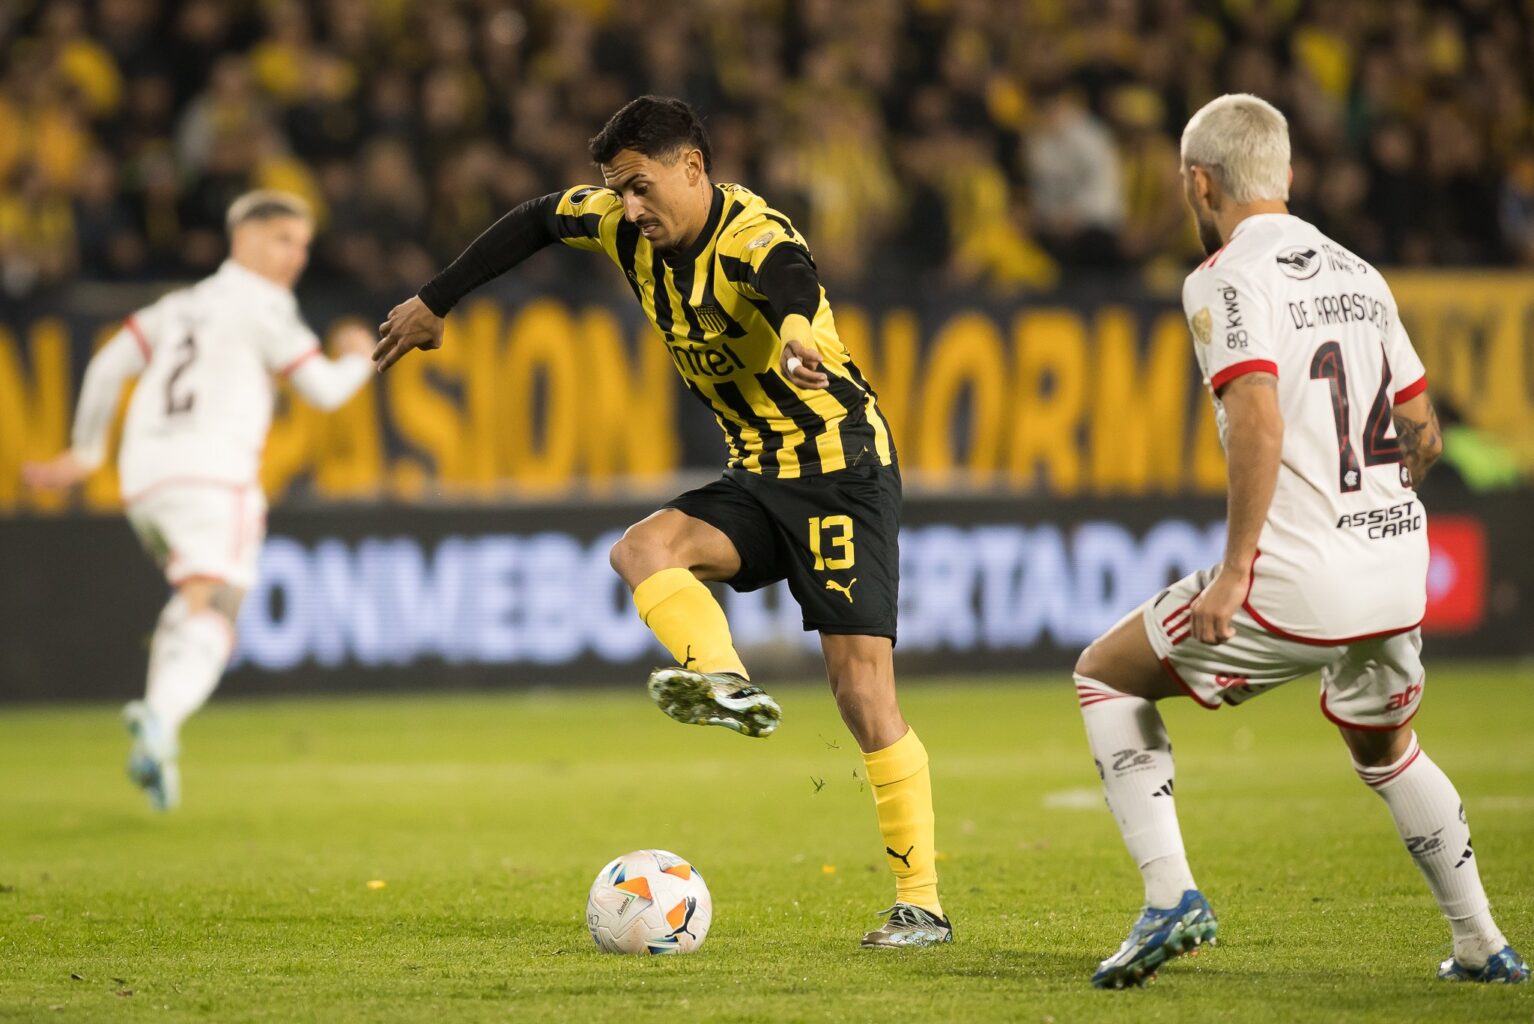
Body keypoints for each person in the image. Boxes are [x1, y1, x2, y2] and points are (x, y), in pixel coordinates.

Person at [373, 96, 949, 948]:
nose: (629, 209)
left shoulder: (751, 233)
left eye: (641, 188)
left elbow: (792, 273)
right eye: (618, 190)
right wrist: (436, 299)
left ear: (693, 167)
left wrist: (795, 331)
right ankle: (723, 678)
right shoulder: (617, 224)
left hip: (839, 470)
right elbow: (534, 220)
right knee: (641, 549)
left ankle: (922, 904)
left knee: (862, 696)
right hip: (757, 473)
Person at [1072, 94, 1528, 988]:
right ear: (1286, 176)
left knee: (1105, 674)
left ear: (1199, 183)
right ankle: (1482, 943)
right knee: (1388, 749)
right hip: (1400, 565)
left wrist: (1236, 571)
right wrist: (1374, 516)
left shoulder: (1223, 276)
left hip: (1300, 573)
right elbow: (1423, 430)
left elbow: (1257, 422)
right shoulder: (1363, 273)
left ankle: (1171, 897)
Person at [23, 190, 374, 812]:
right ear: (243, 239)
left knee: (193, 601)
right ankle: (159, 717)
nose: (295, 257)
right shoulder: (265, 307)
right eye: (282, 240)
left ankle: (160, 737)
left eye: (302, 246)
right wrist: (358, 359)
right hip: (214, 475)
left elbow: (108, 365)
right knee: (217, 610)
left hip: (144, 481)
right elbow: (321, 392)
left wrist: (85, 452)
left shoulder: (180, 305)